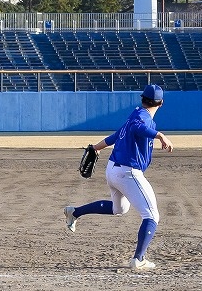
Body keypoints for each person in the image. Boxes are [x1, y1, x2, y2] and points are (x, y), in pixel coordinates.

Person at [63, 84, 174, 270]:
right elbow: (138, 128)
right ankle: (138, 259)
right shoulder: (142, 117)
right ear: (161, 103)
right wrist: (160, 135)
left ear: (142, 99)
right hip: (127, 172)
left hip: (113, 169)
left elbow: (116, 135)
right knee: (152, 215)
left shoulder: (135, 114)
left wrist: (96, 148)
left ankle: (74, 212)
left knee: (119, 208)